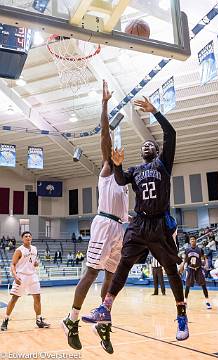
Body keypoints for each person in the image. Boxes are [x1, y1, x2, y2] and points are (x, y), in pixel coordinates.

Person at [82, 96, 189, 346]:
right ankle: (105, 307)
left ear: (156, 151)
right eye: (144, 146)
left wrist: (155, 112)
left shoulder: (164, 164)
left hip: (160, 224)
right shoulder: (136, 171)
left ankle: (181, 314)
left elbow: (170, 134)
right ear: (140, 154)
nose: (147, 146)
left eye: (151, 144)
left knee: (171, 270)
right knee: (123, 265)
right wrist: (118, 166)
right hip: (139, 224)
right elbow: (119, 181)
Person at [61, 80, 128, 353]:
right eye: (111, 153)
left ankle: (102, 321)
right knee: (91, 273)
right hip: (103, 224)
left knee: (110, 279)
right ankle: (72, 319)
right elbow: (104, 136)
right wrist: (104, 104)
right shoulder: (108, 169)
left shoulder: (125, 180)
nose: (114, 153)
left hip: (120, 228)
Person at [1, 231, 49, 331]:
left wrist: (35, 263)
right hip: (21, 276)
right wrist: (15, 276)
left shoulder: (35, 249)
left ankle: (39, 320)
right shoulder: (19, 250)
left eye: (29, 236)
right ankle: (5, 320)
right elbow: (13, 264)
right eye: (26, 236)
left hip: (32, 276)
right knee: (14, 299)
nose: (28, 237)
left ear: (31, 238)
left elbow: (32, 261)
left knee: (37, 298)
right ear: (22, 239)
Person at [179, 235, 212, 310]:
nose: (192, 241)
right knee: (187, 285)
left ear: (196, 241)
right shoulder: (187, 250)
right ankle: (185, 301)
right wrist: (182, 266)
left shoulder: (200, 249)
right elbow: (185, 259)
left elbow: (204, 258)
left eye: (193, 239)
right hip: (190, 269)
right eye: (191, 240)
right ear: (190, 241)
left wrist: (206, 264)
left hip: (199, 269)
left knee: (203, 285)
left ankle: (207, 301)